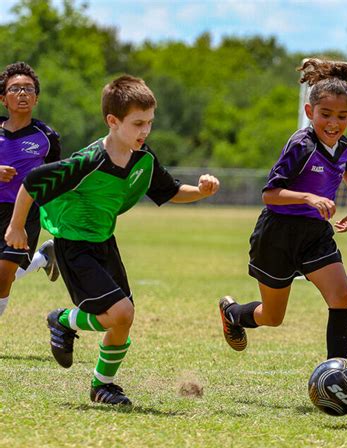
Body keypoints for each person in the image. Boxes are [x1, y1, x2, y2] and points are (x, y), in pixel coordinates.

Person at [6, 75, 220, 405]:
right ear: (113, 121)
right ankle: (62, 320)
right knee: (120, 313)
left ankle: (102, 385)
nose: (145, 131)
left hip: (105, 242)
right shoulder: (88, 162)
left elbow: (170, 190)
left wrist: (201, 191)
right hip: (74, 245)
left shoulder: (142, 159)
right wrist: (16, 227)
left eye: (149, 123)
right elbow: (33, 183)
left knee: (124, 319)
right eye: (137, 124)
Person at [218, 58, 347, 362]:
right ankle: (233, 314)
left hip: (315, 236)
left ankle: (337, 371)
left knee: (342, 297)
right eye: (326, 114)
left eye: (342, 116)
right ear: (310, 112)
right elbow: (270, 195)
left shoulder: (344, 144)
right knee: (272, 316)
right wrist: (309, 198)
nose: (334, 123)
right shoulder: (302, 144)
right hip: (277, 235)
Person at [0, 62, 60, 319]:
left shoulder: (47, 136)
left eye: (28, 89)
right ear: (3, 98)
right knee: (6, 275)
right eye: (15, 89)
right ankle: (44, 258)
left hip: (24, 214)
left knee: (3, 275)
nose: (22, 93)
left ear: (36, 98)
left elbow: (56, 177)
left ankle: (43, 257)